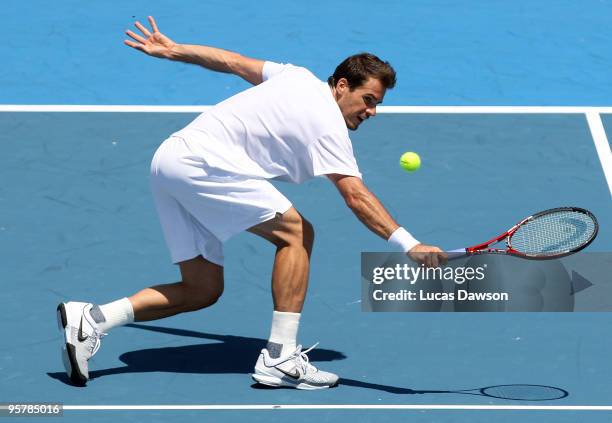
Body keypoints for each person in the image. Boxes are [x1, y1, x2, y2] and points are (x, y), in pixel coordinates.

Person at [56, 16, 447, 390]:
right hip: (203, 165)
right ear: (342, 85)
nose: (372, 111)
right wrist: (408, 244)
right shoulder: (329, 126)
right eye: (368, 99)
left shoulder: (296, 77)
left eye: (377, 104)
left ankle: (91, 319)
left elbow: (232, 62)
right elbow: (355, 196)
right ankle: (280, 357)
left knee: (202, 289)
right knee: (296, 233)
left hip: (168, 160)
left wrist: (176, 50)